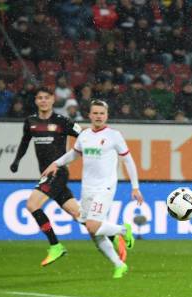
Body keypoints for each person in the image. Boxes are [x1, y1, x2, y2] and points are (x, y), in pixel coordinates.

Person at [42, 100, 143, 278]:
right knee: (92, 231)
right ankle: (119, 265)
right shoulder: (85, 135)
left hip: (105, 186)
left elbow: (128, 160)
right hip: (87, 187)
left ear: (106, 116)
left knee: (92, 225)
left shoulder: (114, 136)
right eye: (95, 113)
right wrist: (56, 163)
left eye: (101, 113)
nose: (98, 116)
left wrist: (135, 187)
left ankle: (123, 230)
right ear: (89, 115)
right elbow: (74, 153)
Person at [9, 87, 82, 266]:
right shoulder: (31, 121)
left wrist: (83, 154)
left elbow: (83, 135)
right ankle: (116, 233)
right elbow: (25, 141)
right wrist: (17, 160)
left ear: (52, 100)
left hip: (58, 172)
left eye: (46, 98)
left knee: (32, 204)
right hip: (45, 173)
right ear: (36, 101)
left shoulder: (62, 121)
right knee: (78, 214)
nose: (43, 101)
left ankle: (55, 245)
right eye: (39, 98)